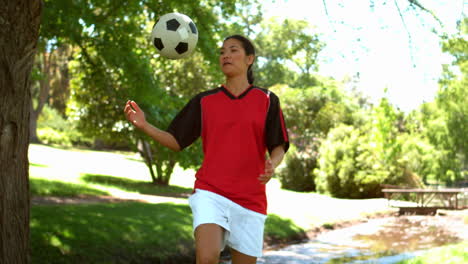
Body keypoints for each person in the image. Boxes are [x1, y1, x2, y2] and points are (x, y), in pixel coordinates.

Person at [124, 35, 289, 264]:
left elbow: (278, 144)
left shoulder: (267, 100)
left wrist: (273, 164)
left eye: (233, 50)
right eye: (222, 52)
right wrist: (144, 125)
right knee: (207, 257)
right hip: (211, 191)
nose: (226, 56)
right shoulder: (204, 101)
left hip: (251, 198)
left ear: (249, 59)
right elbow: (176, 140)